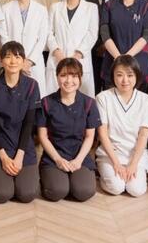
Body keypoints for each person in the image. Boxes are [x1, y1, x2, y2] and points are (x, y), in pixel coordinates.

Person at [0, 41, 41, 203]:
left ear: (23, 61)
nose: (13, 61)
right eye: (7, 57)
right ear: (0, 61)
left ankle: (19, 176)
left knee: (27, 195)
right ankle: (2, 176)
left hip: (23, 148)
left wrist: (19, 156)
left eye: (17, 57)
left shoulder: (32, 86)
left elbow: (29, 124)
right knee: (2, 195)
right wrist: (4, 157)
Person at [37, 58, 101, 202]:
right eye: (64, 75)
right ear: (57, 77)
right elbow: (43, 136)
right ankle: (53, 179)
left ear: (80, 78)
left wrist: (78, 160)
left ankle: (72, 182)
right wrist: (58, 160)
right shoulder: (46, 103)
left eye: (74, 76)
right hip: (54, 156)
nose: (68, 80)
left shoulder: (89, 103)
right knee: (57, 191)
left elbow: (90, 136)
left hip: (79, 155)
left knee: (84, 192)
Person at [96, 55, 148, 197]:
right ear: (113, 76)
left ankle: (136, 172)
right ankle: (102, 172)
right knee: (116, 188)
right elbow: (102, 134)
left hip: (135, 154)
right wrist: (116, 163)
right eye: (119, 75)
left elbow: (143, 135)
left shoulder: (146, 100)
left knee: (136, 190)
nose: (125, 80)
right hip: (111, 154)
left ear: (137, 76)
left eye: (130, 75)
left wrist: (133, 164)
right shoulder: (103, 98)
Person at [101, 0, 148, 91]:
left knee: (138, 104)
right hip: (113, 62)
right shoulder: (109, 5)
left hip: (138, 62)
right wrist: (118, 58)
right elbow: (105, 34)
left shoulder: (145, 6)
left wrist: (127, 57)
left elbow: (147, 35)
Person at [46, 0, 99, 96]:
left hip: (80, 60)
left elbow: (92, 34)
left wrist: (78, 55)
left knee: (81, 101)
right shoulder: (55, 7)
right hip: (57, 59)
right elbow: (48, 32)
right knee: (54, 100)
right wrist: (57, 52)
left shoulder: (91, 8)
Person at [0, 0, 49, 97]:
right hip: (12, 64)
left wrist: (28, 62)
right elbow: (5, 39)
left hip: (33, 65)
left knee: (35, 100)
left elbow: (42, 39)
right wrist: (17, 61)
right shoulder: (5, 9)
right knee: (12, 100)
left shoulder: (41, 10)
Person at [85, 0, 118, 93]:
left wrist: (108, 46)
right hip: (92, 55)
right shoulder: (85, 3)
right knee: (93, 91)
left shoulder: (121, 1)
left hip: (115, 55)